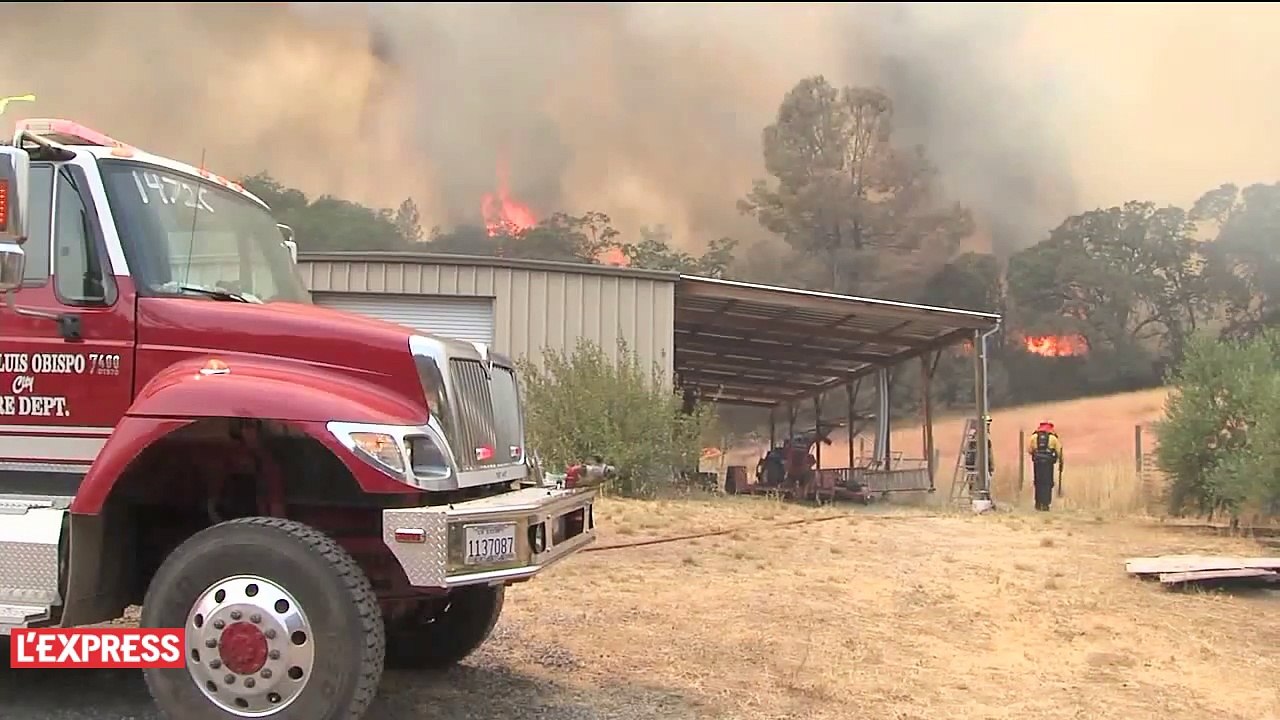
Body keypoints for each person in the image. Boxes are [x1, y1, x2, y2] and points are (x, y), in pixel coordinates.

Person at [1026, 421, 1064, 511]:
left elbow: (1029, 450)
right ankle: (1046, 504)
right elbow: (1059, 452)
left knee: (1038, 482)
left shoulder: (1034, 437)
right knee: (1047, 483)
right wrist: (1061, 462)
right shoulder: (1053, 438)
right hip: (1048, 463)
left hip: (1037, 463)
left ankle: (1038, 503)